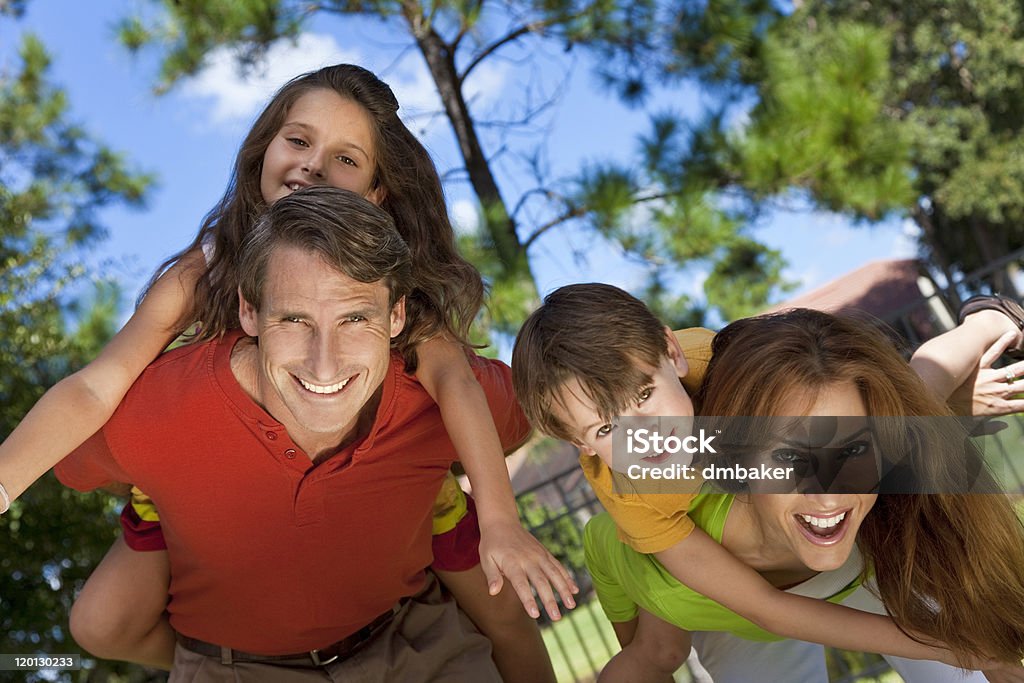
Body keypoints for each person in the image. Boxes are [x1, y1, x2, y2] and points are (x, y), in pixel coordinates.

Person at [0, 64, 570, 682]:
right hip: (207, 479)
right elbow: (93, 386)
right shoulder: (206, 271)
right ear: (264, 148)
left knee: (497, 608)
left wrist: (502, 521)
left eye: (345, 158)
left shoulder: (390, 286)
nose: (313, 166)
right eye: (298, 141)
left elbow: (457, 384)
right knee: (98, 620)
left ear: (377, 192)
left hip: (375, 496)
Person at [54, 186, 515, 681]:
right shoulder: (162, 408)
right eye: (295, 319)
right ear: (249, 311)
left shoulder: (444, 396)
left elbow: (546, 416)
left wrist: (437, 487)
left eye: (355, 318)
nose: (325, 362)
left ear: (396, 315)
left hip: (413, 643)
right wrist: (166, 495)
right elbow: (80, 464)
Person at [511, 283, 1024, 682]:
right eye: (605, 428)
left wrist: (935, 410)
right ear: (579, 444)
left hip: (787, 458)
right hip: (725, 564)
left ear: (672, 354)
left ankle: (985, 321)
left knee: (902, 407)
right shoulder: (635, 493)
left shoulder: (721, 365)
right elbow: (766, 609)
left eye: (643, 395)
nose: (645, 436)